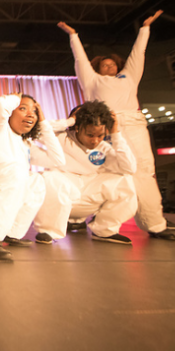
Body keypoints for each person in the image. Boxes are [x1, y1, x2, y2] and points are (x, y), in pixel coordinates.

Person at [57, 11, 175, 241]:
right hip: (103, 126)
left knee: (143, 170)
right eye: (104, 65)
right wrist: (73, 35)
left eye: (112, 64)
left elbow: (138, 54)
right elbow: (80, 60)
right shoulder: (92, 80)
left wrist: (145, 28)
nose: (109, 67)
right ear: (98, 68)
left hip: (132, 124)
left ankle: (155, 223)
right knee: (102, 171)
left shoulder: (129, 77)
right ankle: (83, 218)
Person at [0, 93, 66, 261]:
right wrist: (14, 98)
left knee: (36, 180)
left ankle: (9, 233)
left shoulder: (25, 144)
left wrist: (43, 122)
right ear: (11, 111)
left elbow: (58, 160)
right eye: (23, 109)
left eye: (34, 111)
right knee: (15, 169)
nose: (30, 115)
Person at [34, 101, 138, 245]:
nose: (95, 140)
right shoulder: (60, 138)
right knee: (50, 177)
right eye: (90, 135)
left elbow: (130, 168)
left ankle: (105, 230)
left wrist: (116, 134)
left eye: (100, 135)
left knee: (125, 180)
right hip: (63, 192)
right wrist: (70, 121)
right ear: (77, 128)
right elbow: (34, 130)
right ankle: (48, 231)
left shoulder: (104, 148)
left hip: (88, 194)